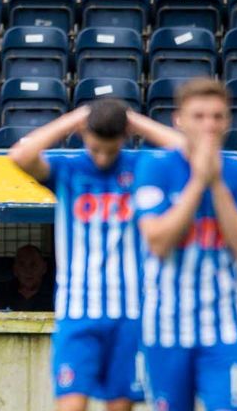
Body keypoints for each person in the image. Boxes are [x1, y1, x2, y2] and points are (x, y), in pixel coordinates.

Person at [9, 99, 184, 411]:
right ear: (84, 134)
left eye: (111, 149)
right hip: (77, 312)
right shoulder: (68, 168)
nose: (103, 157)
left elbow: (190, 153)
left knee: (119, 406)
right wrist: (77, 117)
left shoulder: (141, 166)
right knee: (71, 405)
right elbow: (20, 155)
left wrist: (132, 120)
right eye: (96, 147)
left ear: (124, 138)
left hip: (131, 312)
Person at [134, 78, 237, 411]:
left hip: (225, 328)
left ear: (228, 120)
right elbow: (159, 241)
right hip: (165, 327)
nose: (210, 124)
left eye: (217, 116)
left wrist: (217, 183)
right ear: (179, 120)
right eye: (200, 116)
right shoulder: (156, 166)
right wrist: (197, 182)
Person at [0, 244, 54, 311]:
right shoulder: (2, 293)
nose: (28, 271)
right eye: (22, 265)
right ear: (15, 269)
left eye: (33, 265)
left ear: (44, 268)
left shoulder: (55, 295)